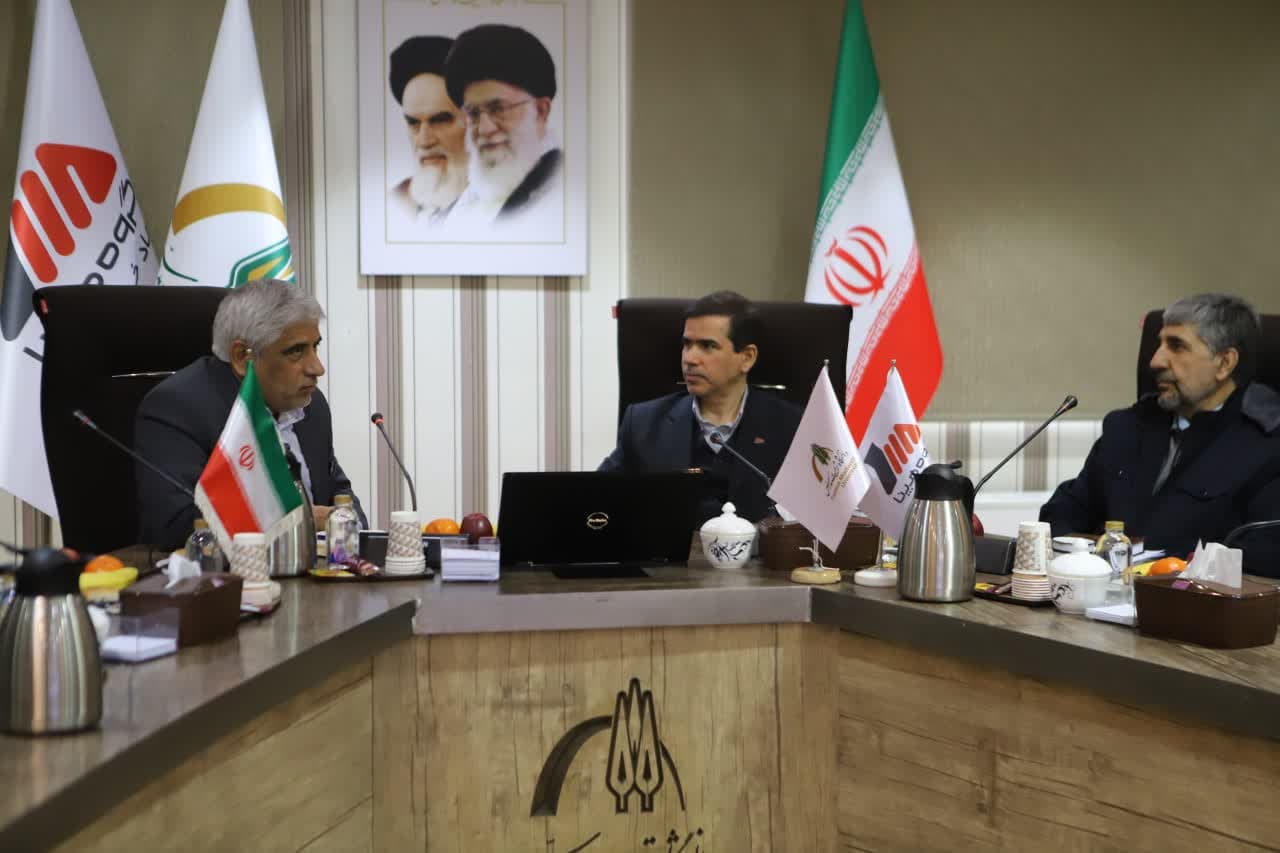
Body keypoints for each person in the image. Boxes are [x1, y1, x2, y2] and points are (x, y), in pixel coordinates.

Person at [1040, 293, 1280, 576]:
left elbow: (1263, 557)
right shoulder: (1126, 427)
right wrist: (1083, 564)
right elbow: (1061, 514)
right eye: (1159, 344)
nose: (1155, 360)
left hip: (1191, 599)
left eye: (1176, 346)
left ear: (1225, 362)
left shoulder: (1266, 444)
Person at [135, 279, 366, 549]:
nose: (317, 368)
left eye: (315, 347)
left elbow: (339, 494)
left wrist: (347, 521)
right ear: (242, 358)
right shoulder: (177, 408)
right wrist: (301, 517)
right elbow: (177, 525)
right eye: (296, 351)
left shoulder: (311, 406)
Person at [599, 291, 802, 523]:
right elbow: (596, 497)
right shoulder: (643, 424)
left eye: (707, 346)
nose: (690, 359)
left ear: (747, 357)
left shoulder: (791, 427)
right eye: (687, 344)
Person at [443, 23, 562, 227]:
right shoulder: (459, 207)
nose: (484, 129)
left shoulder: (560, 192)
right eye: (473, 114)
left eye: (498, 109)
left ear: (541, 111)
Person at [387, 35, 469, 227]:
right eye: (413, 123)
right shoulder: (396, 201)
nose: (424, 141)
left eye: (440, 121)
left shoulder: (509, 205)